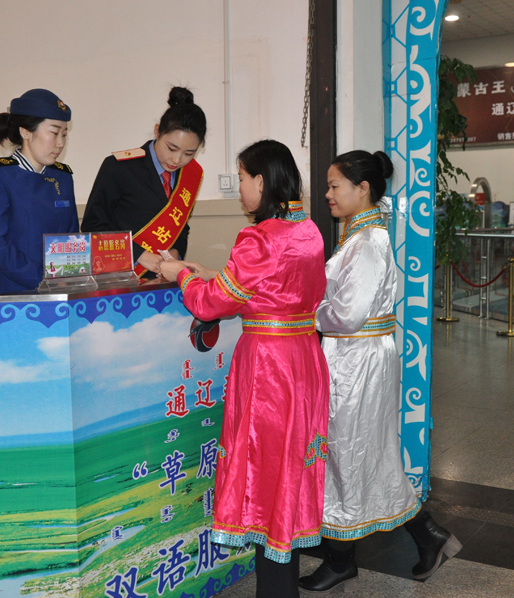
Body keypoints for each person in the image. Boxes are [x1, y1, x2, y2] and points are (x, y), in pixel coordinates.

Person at [160, 140, 329, 598]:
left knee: (264, 474)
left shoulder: (259, 238)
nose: (239, 188)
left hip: (268, 368)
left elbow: (210, 304)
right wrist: (212, 276)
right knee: (289, 473)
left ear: (260, 180)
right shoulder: (308, 230)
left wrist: (180, 274)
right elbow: (266, 289)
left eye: (241, 178)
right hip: (303, 359)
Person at [299, 150, 460, 592]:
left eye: (335, 185)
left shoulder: (367, 243)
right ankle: (425, 536)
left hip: (356, 359)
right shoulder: (362, 236)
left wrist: (303, 312)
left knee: (344, 453)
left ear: (363, 188)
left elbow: (347, 315)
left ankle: (342, 559)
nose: (328, 194)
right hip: (358, 356)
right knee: (363, 453)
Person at [82, 86, 206, 277]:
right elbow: (93, 227)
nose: (177, 160)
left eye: (189, 153)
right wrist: (138, 254)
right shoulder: (120, 167)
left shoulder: (188, 176)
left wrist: (175, 254)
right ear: (157, 132)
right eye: (171, 148)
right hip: (119, 277)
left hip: (163, 279)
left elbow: (180, 226)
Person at [0, 88, 78, 294]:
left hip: (60, 291)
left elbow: (72, 237)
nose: (60, 143)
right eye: (54, 133)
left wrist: (74, 276)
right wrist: (42, 279)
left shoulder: (63, 177)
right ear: (25, 132)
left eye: (64, 134)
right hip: (14, 293)